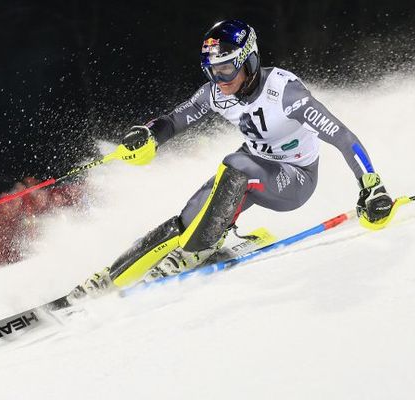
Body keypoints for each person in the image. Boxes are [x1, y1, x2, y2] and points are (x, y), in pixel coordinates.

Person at [76, 19, 393, 297]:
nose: (220, 79)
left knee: (235, 165)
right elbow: (176, 119)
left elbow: (343, 137)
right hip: (251, 167)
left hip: (294, 177)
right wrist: (149, 134)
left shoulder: (285, 93)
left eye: (227, 68)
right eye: (213, 70)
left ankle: (195, 252)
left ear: (250, 61)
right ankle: (111, 277)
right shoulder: (217, 93)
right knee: (187, 219)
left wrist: (372, 186)